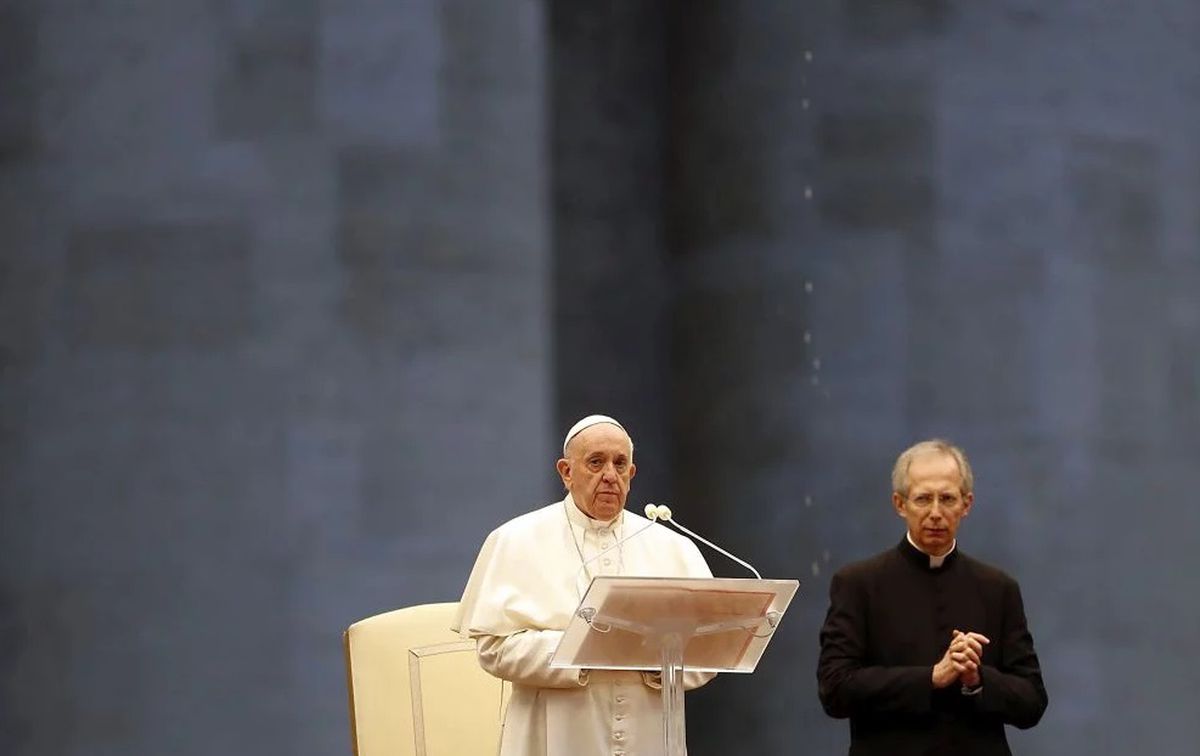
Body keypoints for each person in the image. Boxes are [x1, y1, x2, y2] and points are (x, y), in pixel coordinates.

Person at [453, 414, 714, 756]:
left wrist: (654, 657)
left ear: (631, 475)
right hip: (555, 735)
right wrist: (583, 649)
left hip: (649, 735)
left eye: (620, 465)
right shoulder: (516, 540)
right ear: (566, 472)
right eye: (595, 462)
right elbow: (494, 648)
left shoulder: (672, 547)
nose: (610, 475)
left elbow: (711, 649)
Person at [817, 440, 1048, 755]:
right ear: (900, 504)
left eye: (948, 499)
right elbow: (835, 689)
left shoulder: (997, 587)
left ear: (966, 505)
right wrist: (931, 678)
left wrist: (977, 677)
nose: (936, 513)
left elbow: (1032, 701)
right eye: (923, 499)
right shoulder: (859, 584)